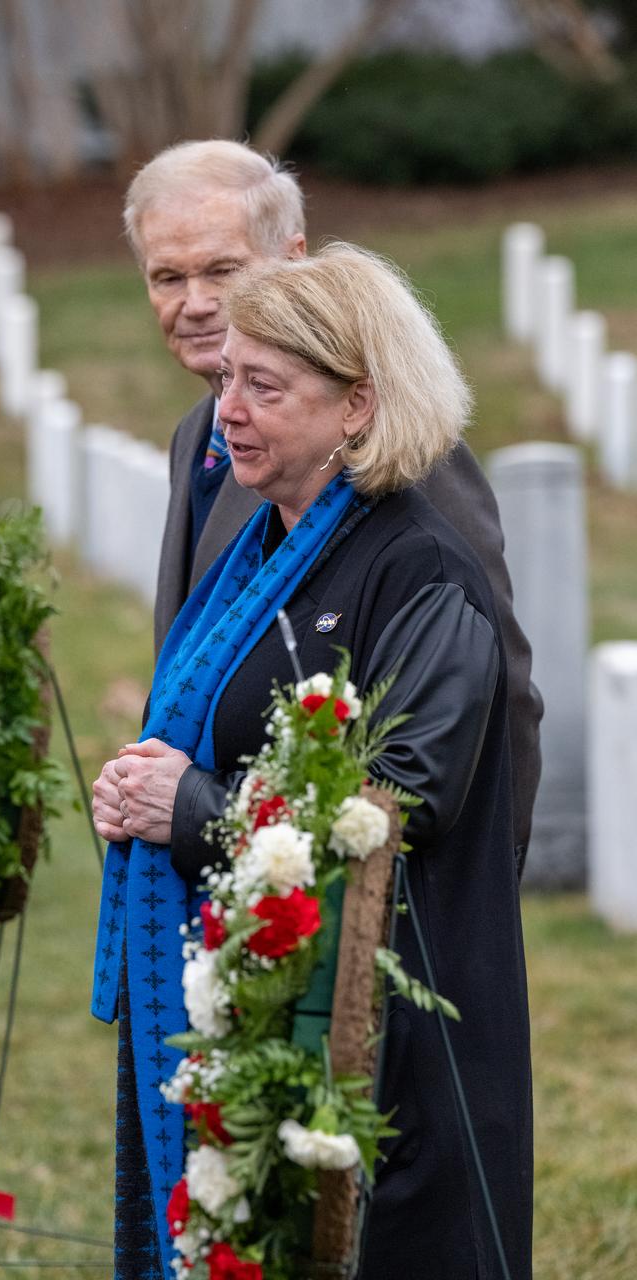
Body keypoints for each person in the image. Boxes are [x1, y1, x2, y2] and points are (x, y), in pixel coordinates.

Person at [91, 244, 533, 1280]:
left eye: (264, 386)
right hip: (275, 985)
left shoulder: (419, 563)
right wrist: (140, 783)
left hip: (398, 1026)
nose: (227, 408)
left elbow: (399, 800)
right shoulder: (265, 551)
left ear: (356, 405)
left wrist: (192, 804)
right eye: (228, 378)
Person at [123, 139, 542, 870]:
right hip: (235, 865)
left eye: (221, 269)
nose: (194, 303)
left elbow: (488, 677)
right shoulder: (198, 436)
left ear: (291, 257)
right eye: (167, 276)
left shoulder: (395, 449)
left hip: (364, 880)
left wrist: (487, 873)